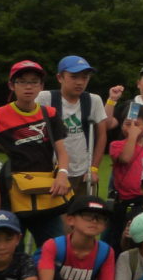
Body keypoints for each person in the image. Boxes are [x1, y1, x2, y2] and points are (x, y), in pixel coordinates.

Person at [0, 60, 72, 251]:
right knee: (12, 250)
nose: (28, 87)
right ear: (12, 85)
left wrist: (62, 174)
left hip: (46, 191)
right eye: (22, 82)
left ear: (41, 86)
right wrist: (0, 147)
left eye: (34, 82)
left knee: (56, 250)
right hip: (12, 193)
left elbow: (62, 151)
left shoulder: (49, 114)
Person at [38, 55, 108, 198]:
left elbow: (102, 135)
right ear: (60, 78)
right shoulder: (45, 98)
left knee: (82, 210)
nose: (80, 82)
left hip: (82, 172)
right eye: (74, 77)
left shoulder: (93, 100)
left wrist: (94, 168)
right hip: (52, 171)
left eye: (85, 77)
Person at [107, 102, 143, 247]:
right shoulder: (116, 145)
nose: (132, 128)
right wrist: (133, 136)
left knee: (141, 240)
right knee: (118, 239)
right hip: (122, 203)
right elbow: (125, 158)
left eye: (137, 124)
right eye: (127, 124)